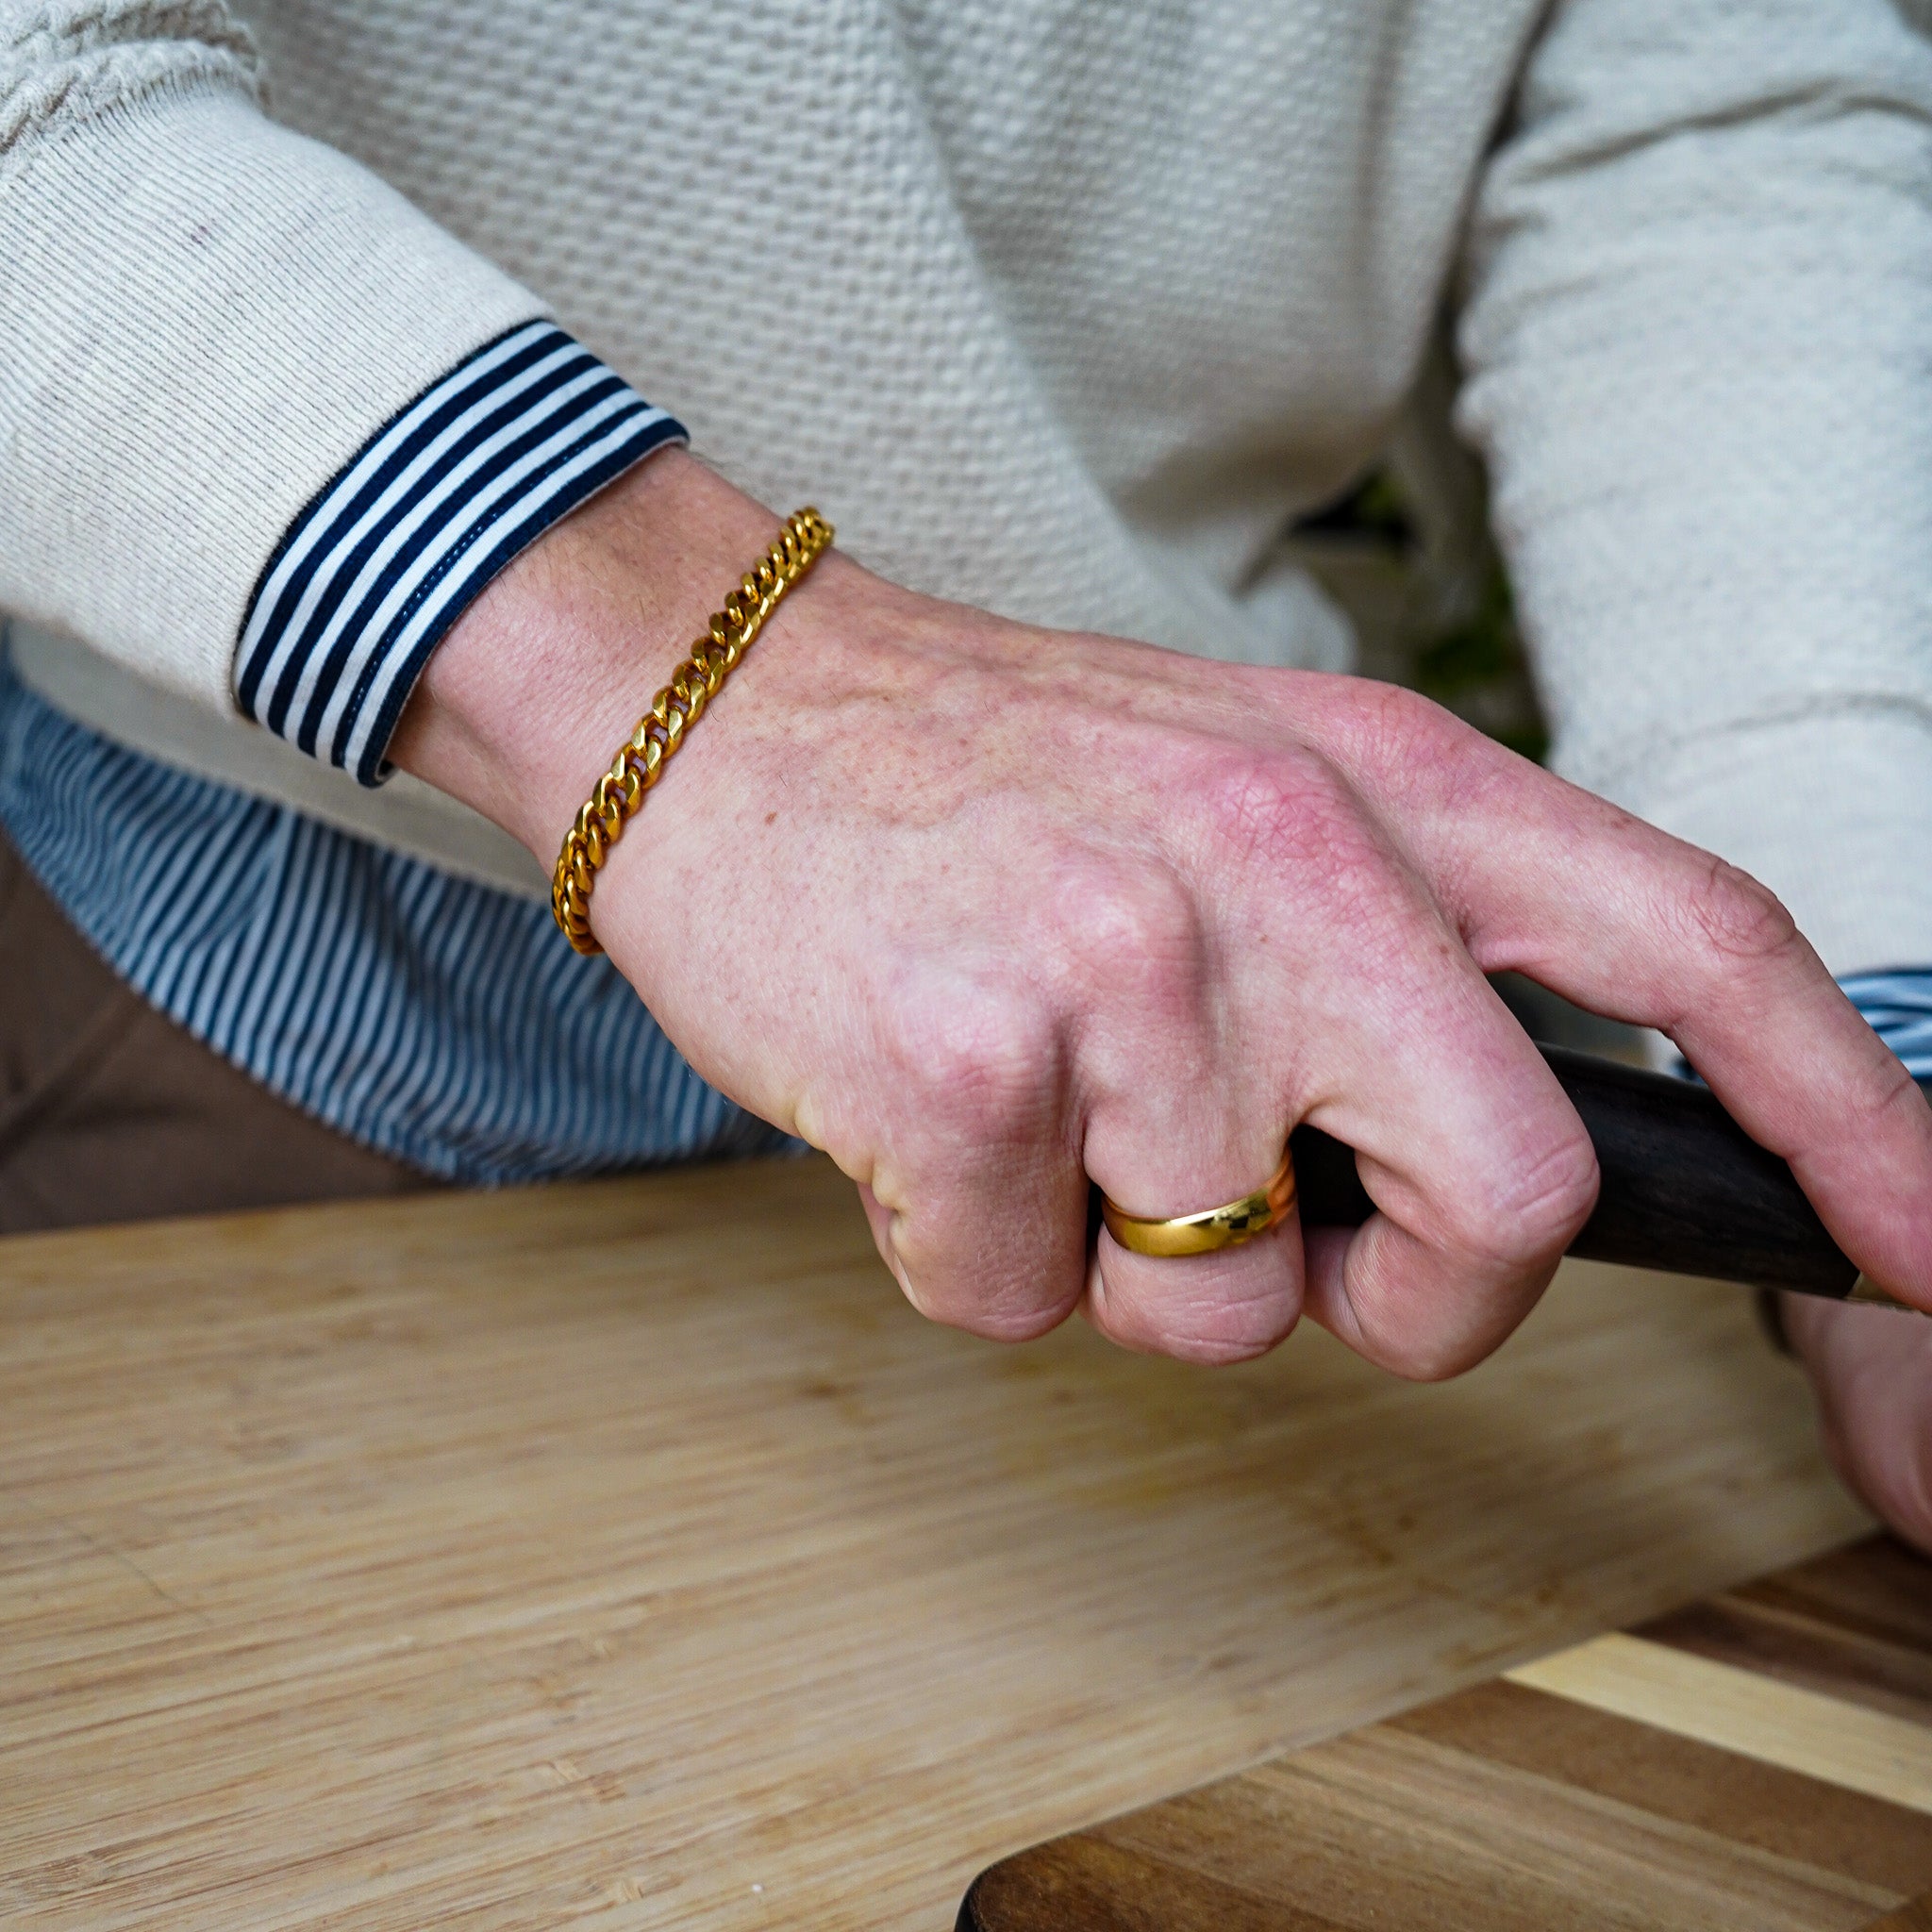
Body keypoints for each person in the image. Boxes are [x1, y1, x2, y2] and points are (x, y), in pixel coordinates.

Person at [2, 0, 1928, 1551]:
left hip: (1251, 1084)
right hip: (288, 983)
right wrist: (704, 677)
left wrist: (1868, 1054)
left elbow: (1706, 107)